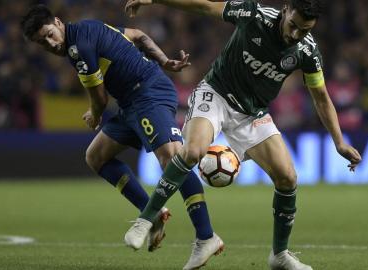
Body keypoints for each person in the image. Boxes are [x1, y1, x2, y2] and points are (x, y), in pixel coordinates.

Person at [123, 0, 363, 269]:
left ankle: (279, 255)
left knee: (288, 177)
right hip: (216, 94)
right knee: (192, 152)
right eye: (293, 25)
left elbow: (320, 97)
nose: (294, 34)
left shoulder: (307, 51)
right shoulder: (253, 14)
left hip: (253, 114)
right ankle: (146, 219)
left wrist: (339, 141)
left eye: (304, 30)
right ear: (286, 10)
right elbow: (204, 6)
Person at [20, 4, 223, 267]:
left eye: (49, 34)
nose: (50, 44)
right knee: (96, 157)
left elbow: (100, 99)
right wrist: (164, 60)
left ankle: (206, 236)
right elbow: (138, 35)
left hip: (149, 93)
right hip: (131, 103)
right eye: (42, 43)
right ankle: (154, 212)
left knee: (174, 159)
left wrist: (94, 114)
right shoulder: (89, 26)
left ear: (58, 22)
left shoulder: (77, 47)